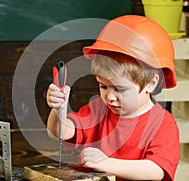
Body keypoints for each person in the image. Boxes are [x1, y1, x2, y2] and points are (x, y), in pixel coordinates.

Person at [46, 15, 180, 181]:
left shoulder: (162, 124)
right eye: (103, 86)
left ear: (151, 84)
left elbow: (156, 170)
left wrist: (106, 163)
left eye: (120, 89)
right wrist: (58, 108)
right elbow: (60, 132)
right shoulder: (98, 109)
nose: (109, 96)